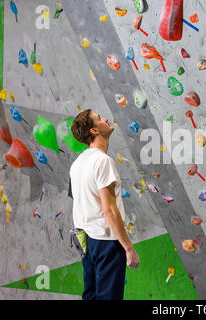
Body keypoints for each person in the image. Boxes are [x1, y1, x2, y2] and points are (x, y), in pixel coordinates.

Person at [70, 109, 140, 300]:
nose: (106, 119)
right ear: (94, 131)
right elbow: (109, 210)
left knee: (91, 296)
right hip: (105, 242)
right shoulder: (102, 162)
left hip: (86, 240)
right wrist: (128, 248)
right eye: (99, 119)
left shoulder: (77, 163)